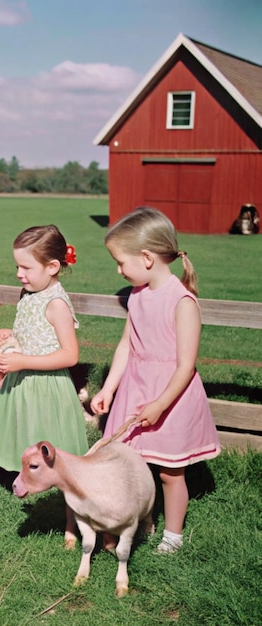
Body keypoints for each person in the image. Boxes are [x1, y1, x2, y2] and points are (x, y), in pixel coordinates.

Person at [90, 207, 221, 554]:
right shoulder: (138, 295)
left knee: (169, 472)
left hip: (171, 395)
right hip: (136, 388)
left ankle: (173, 536)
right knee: (132, 465)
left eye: (120, 262)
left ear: (146, 258)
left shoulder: (182, 302)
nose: (118, 270)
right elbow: (126, 345)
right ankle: (140, 520)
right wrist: (109, 387)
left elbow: (186, 366)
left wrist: (160, 404)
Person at [0, 225, 89, 545]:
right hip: (25, 389)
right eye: (17, 266)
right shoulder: (30, 295)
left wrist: (22, 362)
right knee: (32, 450)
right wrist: (8, 336)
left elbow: (70, 355)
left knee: (58, 458)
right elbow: (30, 334)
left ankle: (73, 524)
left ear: (52, 267)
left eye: (26, 268)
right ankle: (31, 486)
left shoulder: (56, 304)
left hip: (47, 389)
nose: (20, 274)